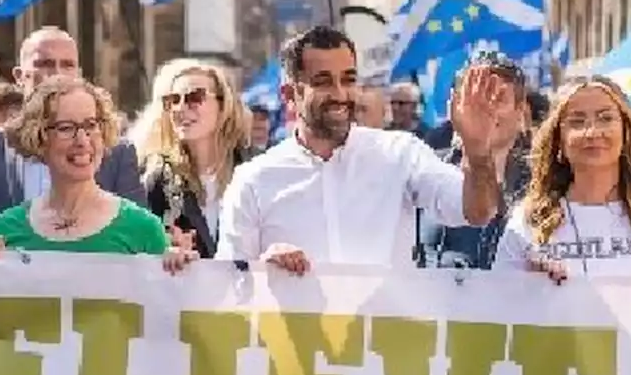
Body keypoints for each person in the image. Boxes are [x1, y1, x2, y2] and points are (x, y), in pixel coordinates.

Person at [215, 25, 505, 271]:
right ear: (291, 94)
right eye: (323, 82)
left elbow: (478, 212)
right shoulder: (253, 179)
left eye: (349, 79)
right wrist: (264, 270)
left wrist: (477, 153)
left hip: (384, 336)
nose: (341, 94)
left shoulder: (400, 154)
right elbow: (230, 283)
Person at [0, 77, 194, 272]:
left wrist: (179, 272)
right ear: (39, 138)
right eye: (66, 128)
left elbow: (166, 315)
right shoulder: (6, 228)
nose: (82, 141)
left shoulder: (143, 229)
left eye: (91, 125)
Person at [0, 26, 145, 244]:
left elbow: (141, 238)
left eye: (67, 65)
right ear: (20, 76)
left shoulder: (118, 152)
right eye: (45, 64)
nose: (57, 73)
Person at [493, 75, 631, 285]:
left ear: (626, 132)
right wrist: (530, 286)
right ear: (558, 140)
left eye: (606, 118)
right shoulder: (528, 220)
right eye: (577, 121)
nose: (592, 132)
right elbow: (498, 304)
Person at [420, 51, 533, 269]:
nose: (485, 108)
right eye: (473, 98)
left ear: (520, 111)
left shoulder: (547, 181)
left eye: (497, 98)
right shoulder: (425, 171)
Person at [138, 59, 250, 259]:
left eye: (195, 97)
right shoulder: (156, 182)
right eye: (173, 100)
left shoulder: (253, 173)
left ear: (224, 105)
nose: (181, 108)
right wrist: (164, 249)